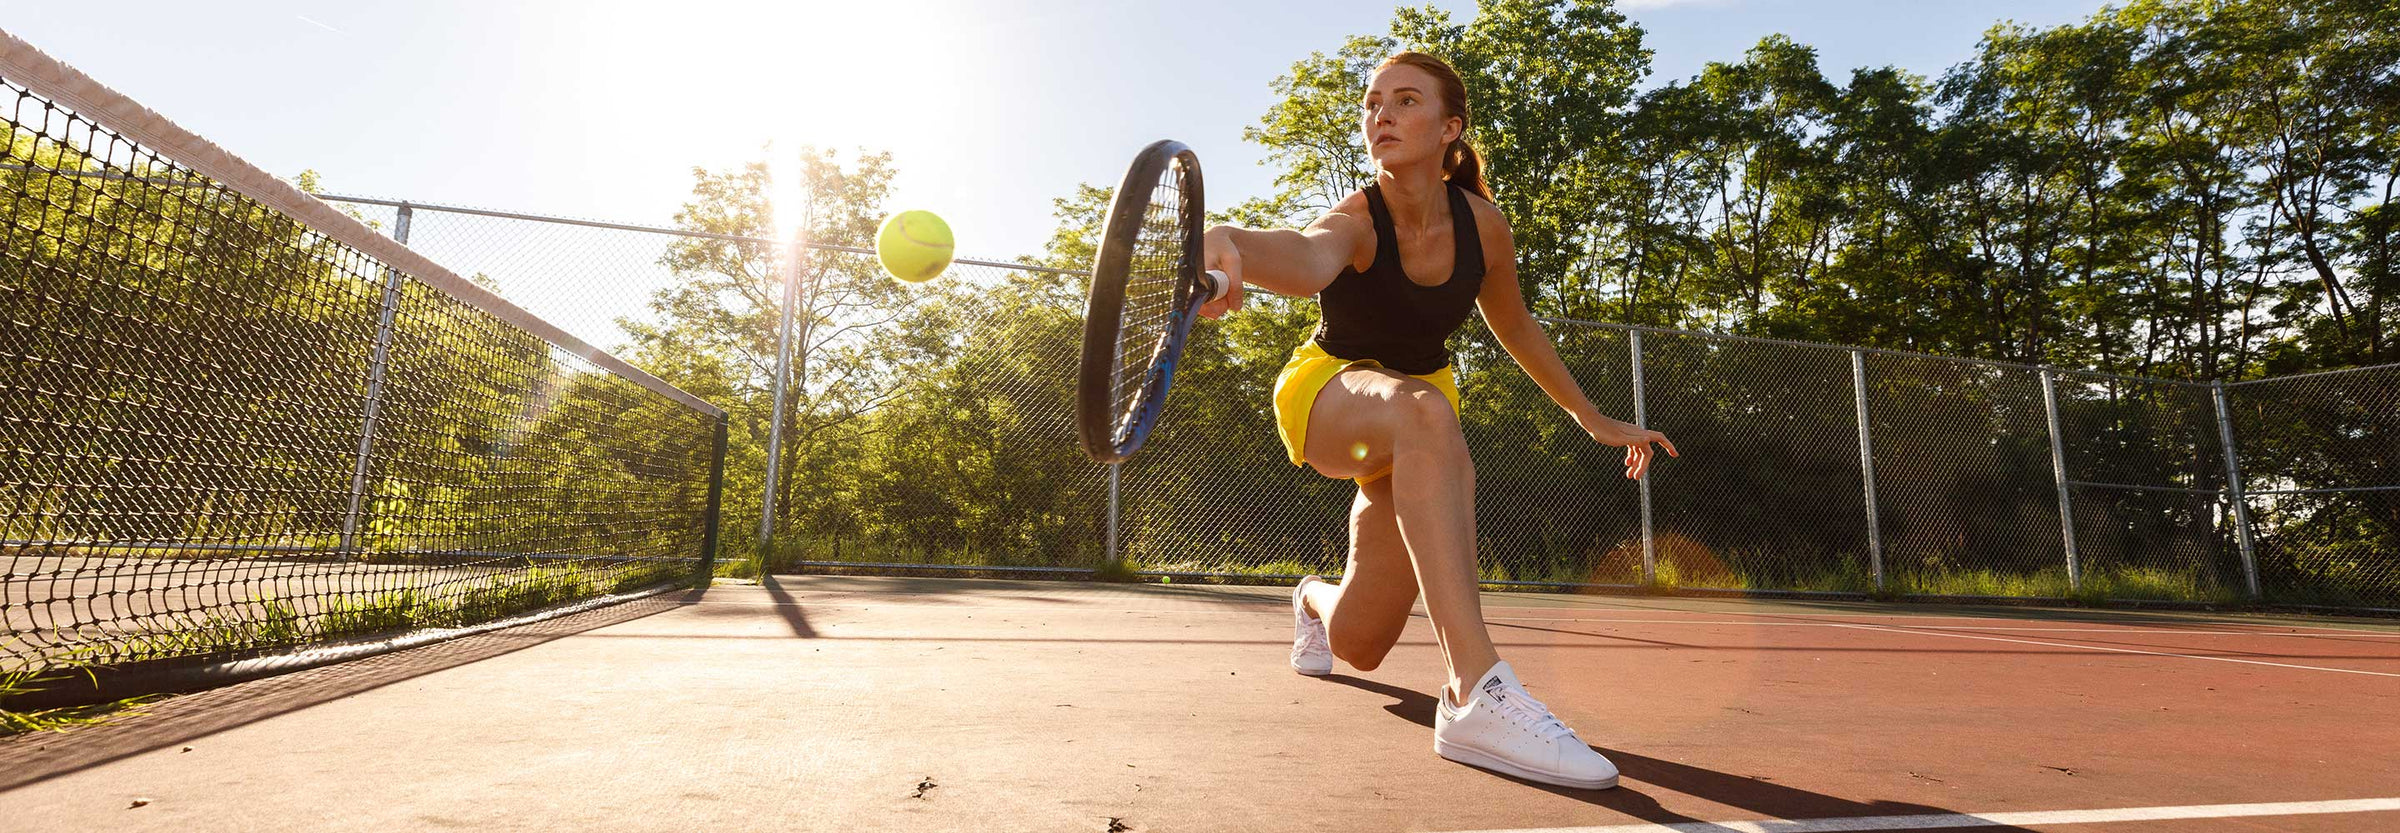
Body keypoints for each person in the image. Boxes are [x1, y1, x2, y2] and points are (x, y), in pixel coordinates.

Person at [1197, 51, 1677, 790]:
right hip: (1330, 392)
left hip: (1418, 415)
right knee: (1424, 412)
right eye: (1372, 102)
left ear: (1450, 128)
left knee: (1362, 641)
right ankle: (1474, 693)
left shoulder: (1483, 226)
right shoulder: (1357, 219)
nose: (1380, 114)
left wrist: (1592, 417)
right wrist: (1230, 244)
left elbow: (1517, 327)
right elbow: (1301, 257)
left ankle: (1311, 599)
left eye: (1405, 100)